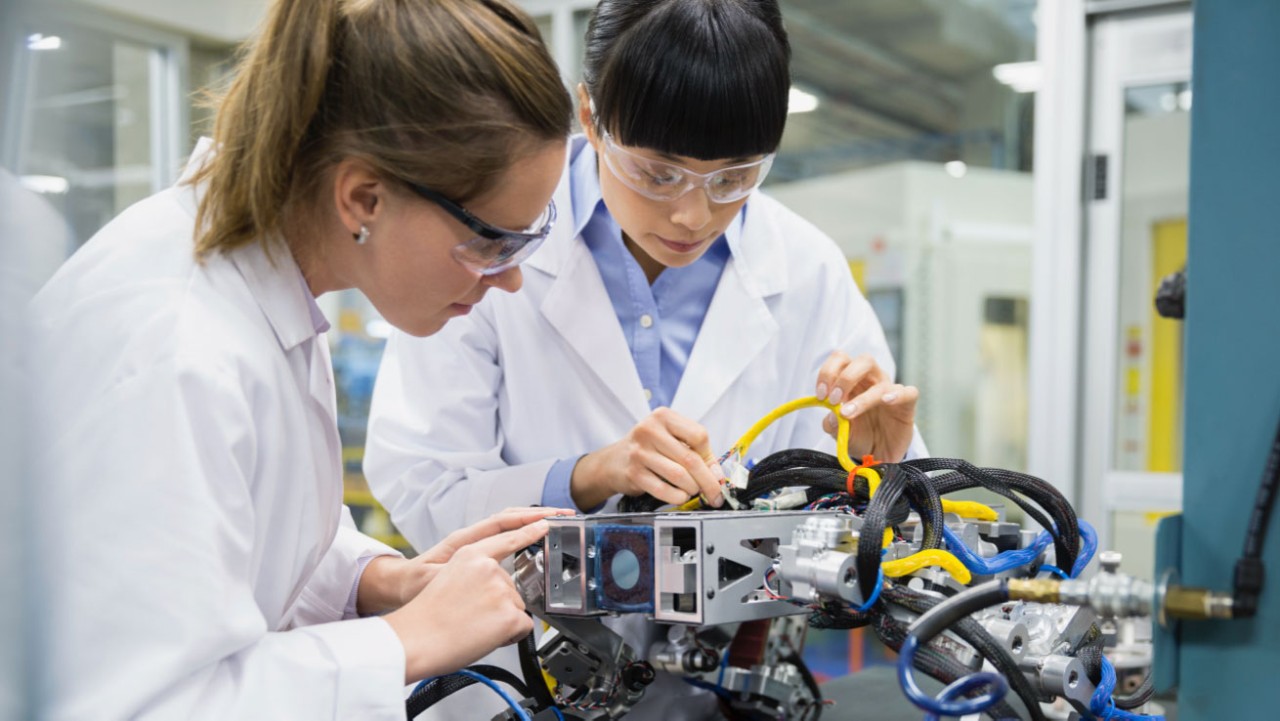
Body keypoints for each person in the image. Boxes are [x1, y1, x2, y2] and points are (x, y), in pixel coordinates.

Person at [364, 0, 925, 717]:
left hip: (725, 692)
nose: (692, 214)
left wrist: (880, 472)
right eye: (658, 173)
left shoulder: (806, 268)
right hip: (517, 681)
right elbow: (422, 482)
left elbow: (874, 554)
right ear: (592, 117)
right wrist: (591, 476)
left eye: (733, 178)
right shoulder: (495, 240)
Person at [27, 0, 572, 717]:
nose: (510, 278)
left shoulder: (265, 286)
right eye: (493, 241)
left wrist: (381, 581)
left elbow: (244, 548)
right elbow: (139, 702)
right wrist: (405, 641)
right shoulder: (174, 345)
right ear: (363, 198)